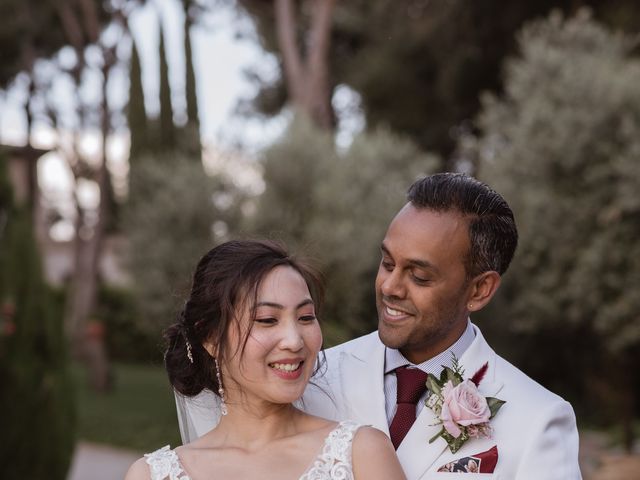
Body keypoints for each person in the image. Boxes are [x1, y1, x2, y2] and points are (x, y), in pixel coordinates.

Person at [176, 174, 582, 479]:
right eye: (387, 263)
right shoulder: (307, 376)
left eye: (419, 276)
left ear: (479, 290)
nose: (390, 286)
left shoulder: (537, 420)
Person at [125, 240, 405, 480]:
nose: (294, 340)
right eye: (267, 320)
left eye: (306, 317)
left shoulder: (361, 453)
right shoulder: (152, 475)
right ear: (210, 338)